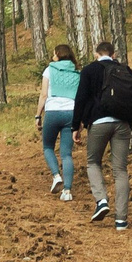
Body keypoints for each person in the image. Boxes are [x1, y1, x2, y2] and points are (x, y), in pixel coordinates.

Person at [71, 40, 132, 229]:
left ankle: (102, 200)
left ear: (96, 54)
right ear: (114, 54)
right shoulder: (126, 71)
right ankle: (121, 219)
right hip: (123, 125)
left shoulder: (89, 70)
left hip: (98, 123)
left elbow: (80, 98)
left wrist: (75, 127)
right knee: (120, 170)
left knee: (93, 162)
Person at [36, 43, 81, 200]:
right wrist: (80, 121)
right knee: (66, 154)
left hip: (53, 112)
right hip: (71, 113)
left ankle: (56, 176)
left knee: (48, 147)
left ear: (58, 55)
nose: (52, 56)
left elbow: (43, 95)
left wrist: (38, 115)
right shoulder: (77, 72)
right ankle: (67, 191)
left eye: (54, 54)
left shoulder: (50, 70)